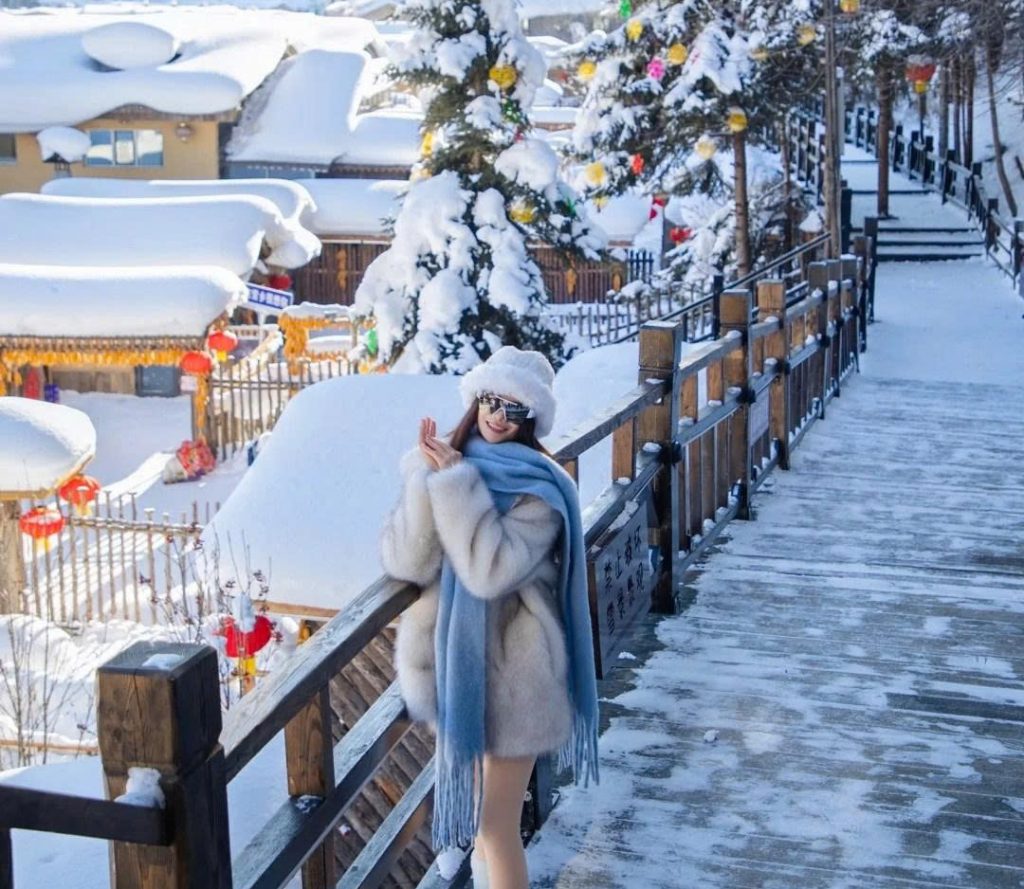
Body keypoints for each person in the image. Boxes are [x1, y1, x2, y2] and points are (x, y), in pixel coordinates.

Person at [379, 346, 600, 889]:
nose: (499, 416)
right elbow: (407, 562)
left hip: (518, 675)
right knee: (482, 833)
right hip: (460, 668)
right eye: (491, 401)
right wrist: (424, 479)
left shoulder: (539, 491)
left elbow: (487, 570)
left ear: (531, 420)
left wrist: (455, 483)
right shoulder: (452, 463)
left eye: (515, 409)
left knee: (494, 827)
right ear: (475, 399)